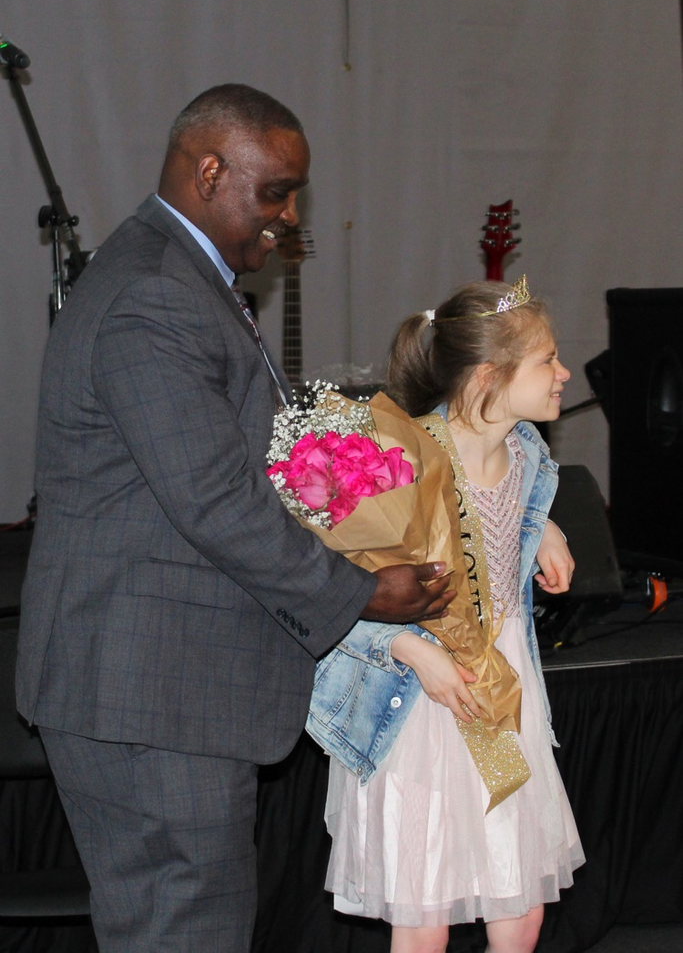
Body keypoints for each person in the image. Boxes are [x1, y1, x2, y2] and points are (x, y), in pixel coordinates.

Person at [15, 84, 454, 953]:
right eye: (275, 192)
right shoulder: (156, 294)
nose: (288, 218)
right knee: (184, 932)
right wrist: (360, 592)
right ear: (209, 169)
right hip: (149, 692)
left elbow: (243, 471)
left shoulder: (181, 280)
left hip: (158, 688)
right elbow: (212, 499)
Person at [307, 277, 585, 953]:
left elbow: (515, 511)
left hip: (499, 690)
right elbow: (328, 588)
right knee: (425, 910)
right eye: (546, 359)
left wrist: (543, 527)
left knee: (519, 911)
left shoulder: (528, 452)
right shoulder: (396, 456)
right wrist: (414, 652)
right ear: (489, 376)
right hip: (420, 704)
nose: (564, 372)